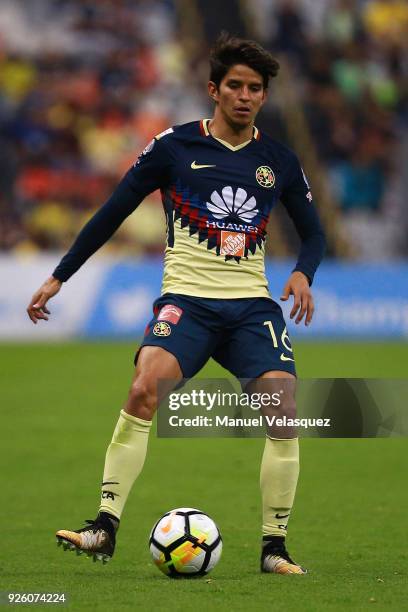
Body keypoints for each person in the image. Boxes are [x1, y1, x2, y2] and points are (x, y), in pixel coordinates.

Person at [27, 33, 325, 574]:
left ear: (263, 96)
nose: (245, 95)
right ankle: (104, 527)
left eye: (255, 88)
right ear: (214, 89)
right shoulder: (173, 146)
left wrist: (304, 271)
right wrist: (59, 276)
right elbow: (113, 210)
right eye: (235, 85)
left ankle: (274, 547)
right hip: (187, 303)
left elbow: (314, 234)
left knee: (284, 408)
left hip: (250, 309)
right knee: (144, 388)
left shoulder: (278, 160)